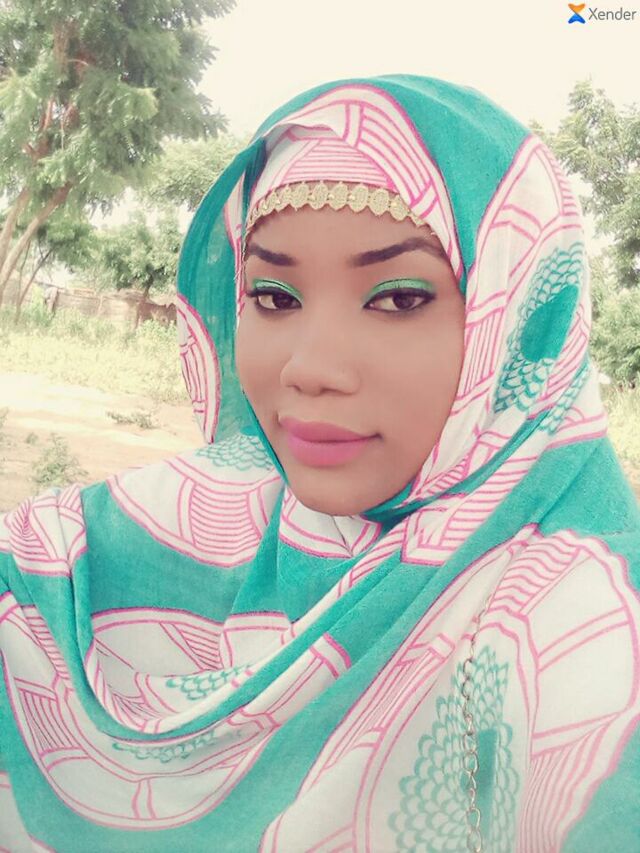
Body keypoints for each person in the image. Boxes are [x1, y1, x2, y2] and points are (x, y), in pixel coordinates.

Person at [1, 74, 639, 852]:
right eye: (274, 296)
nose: (309, 367)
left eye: (398, 298)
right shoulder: (216, 508)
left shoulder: (582, 617)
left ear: (517, 320)